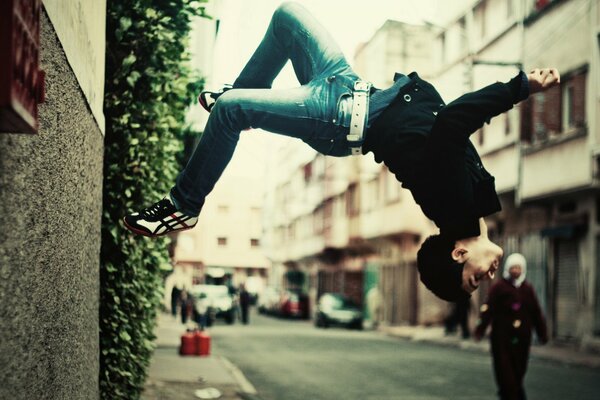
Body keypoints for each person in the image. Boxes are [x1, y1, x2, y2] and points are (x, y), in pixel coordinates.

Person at [123, 2, 560, 301]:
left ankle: (183, 205)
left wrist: (519, 88)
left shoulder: (454, 204)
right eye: (479, 284)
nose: (485, 279)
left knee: (233, 112)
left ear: (458, 254)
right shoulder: (474, 205)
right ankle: (237, 94)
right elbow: (444, 127)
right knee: (285, 17)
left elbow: (452, 123)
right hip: (351, 86)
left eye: (472, 282)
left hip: (337, 117)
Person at [474, 253, 548, 400]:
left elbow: (536, 312)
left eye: (518, 268)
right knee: (505, 372)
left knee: (519, 370)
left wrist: (542, 333)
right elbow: (488, 309)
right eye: (513, 267)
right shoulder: (499, 288)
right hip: (502, 339)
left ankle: (509, 394)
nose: (515, 271)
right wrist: (480, 329)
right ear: (508, 269)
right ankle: (511, 395)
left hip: (522, 339)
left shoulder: (527, 289)